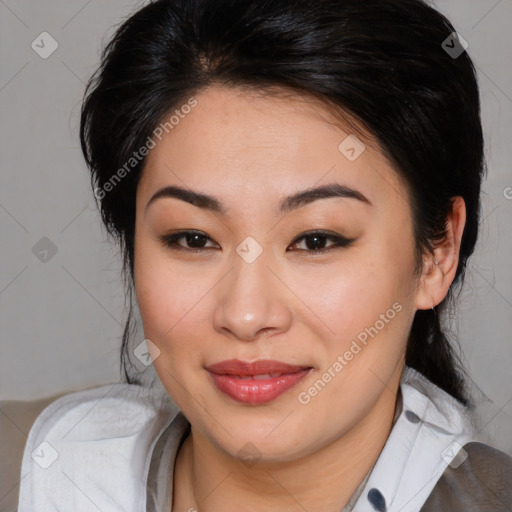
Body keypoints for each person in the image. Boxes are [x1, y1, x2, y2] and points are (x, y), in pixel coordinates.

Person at [17, 0, 512, 511]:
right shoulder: (47, 471)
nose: (246, 315)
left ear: (437, 252)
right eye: (193, 238)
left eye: (316, 240)